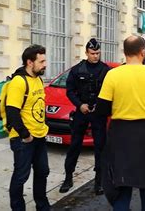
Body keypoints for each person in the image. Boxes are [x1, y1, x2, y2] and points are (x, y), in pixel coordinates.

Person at [96, 35, 145, 210]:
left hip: (120, 134)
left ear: (124, 53)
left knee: (122, 188)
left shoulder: (113, 75)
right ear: (142, 51)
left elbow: (102, 110)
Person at [59, 38, 110, 195]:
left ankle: (99, 182)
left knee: (100, 148)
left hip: (98, 114)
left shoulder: (106, 70)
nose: (95, 56)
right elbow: (69, 91)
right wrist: (79, 105)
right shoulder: (77, 70)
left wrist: (101, 107)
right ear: (86, 53)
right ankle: (68, 178)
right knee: (74, 146)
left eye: (98, 53)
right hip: (81, 113)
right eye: (93, 53)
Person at [6, 44, 50, 211]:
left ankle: (42, 206)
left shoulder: (38, 79)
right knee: (20, 176)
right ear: (30, 62)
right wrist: (26, 135)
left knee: (42, 172)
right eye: (41, 61)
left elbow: (39, 106)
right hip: (23, 139)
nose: (45, 64)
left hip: (39, 136)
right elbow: (12, 112)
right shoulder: (19, 82)